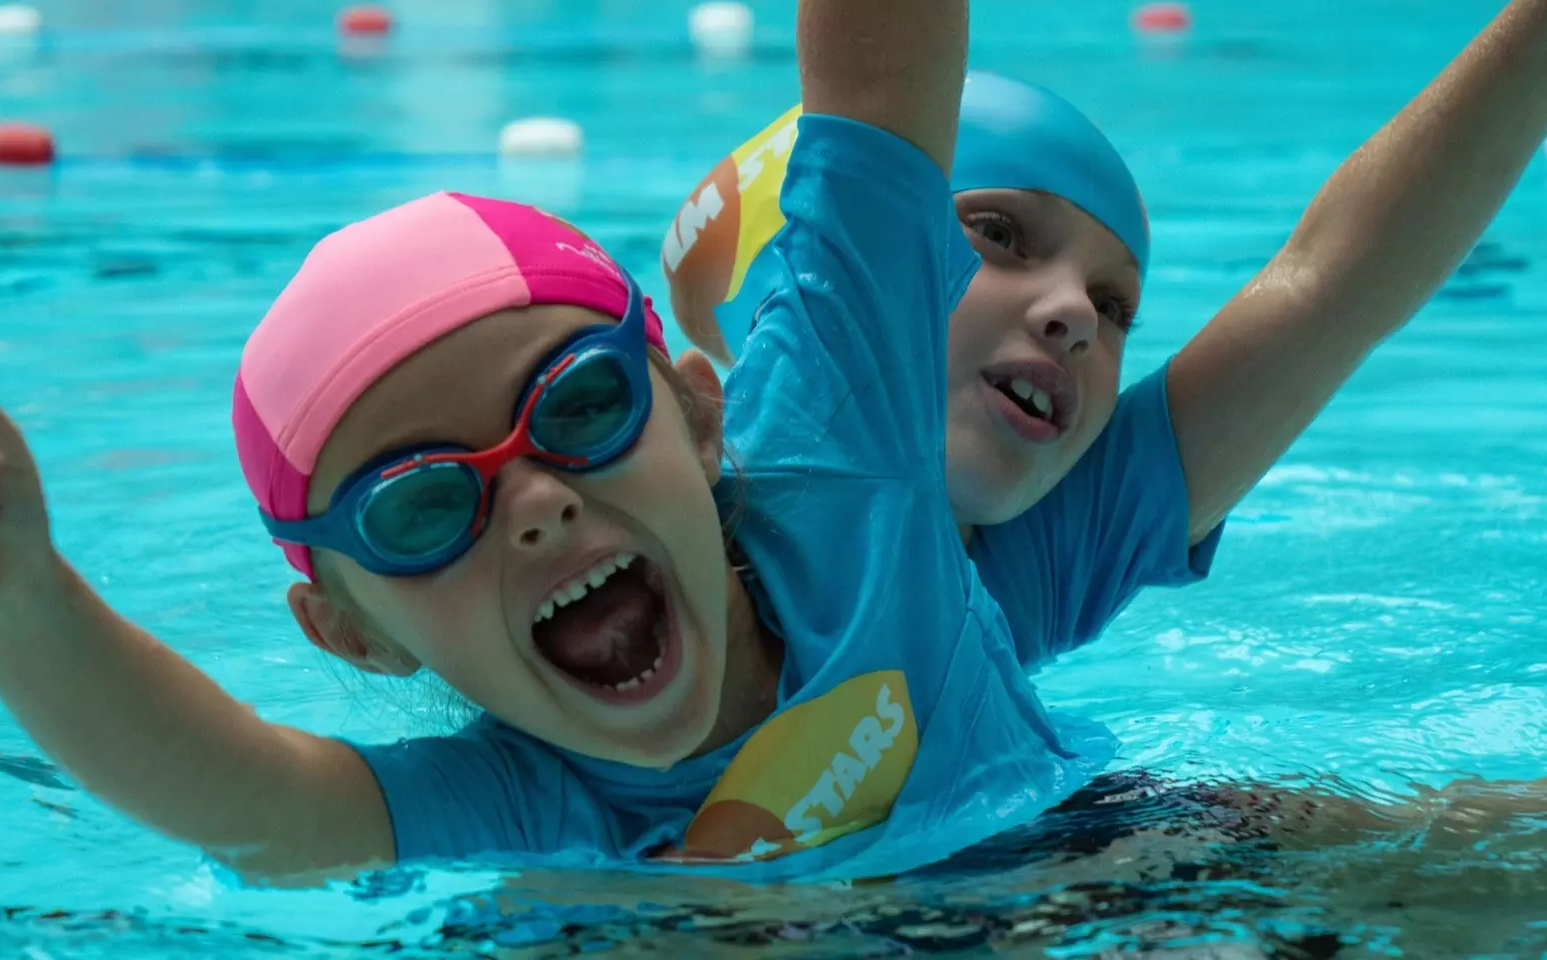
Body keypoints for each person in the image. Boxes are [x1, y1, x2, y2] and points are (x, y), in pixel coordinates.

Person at [0, 0, 1117, 885]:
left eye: (578, 407)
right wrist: (14, 597)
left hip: (1111, 872)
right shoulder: (519, 803)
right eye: (417, 507)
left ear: (699, 417)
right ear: (353, 633)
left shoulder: (843, 478)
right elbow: (253, 803)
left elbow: (877, 82)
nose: (536, 503)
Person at [663, 0, 1547, 671]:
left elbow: (1329, 287)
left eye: (1116, 306)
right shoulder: (757, 474)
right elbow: (878, 72)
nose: (1078, 314)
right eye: (1000, 234)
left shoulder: (1034, 561)